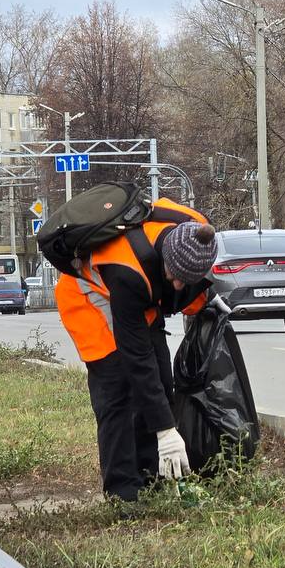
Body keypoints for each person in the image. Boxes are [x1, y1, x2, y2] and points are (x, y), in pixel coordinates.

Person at [56, 198, 217, 501]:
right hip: (89, 295)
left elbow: (188, 287)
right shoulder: (126, 270)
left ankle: (151, 477)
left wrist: (206, 301)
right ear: (164, 257)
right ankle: (123, 493)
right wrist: (167, 431)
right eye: (176, 277)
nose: (180, 286)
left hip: (141, 299)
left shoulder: (197, 230)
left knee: (161, 375)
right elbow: (137, 360)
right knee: (117, 391)